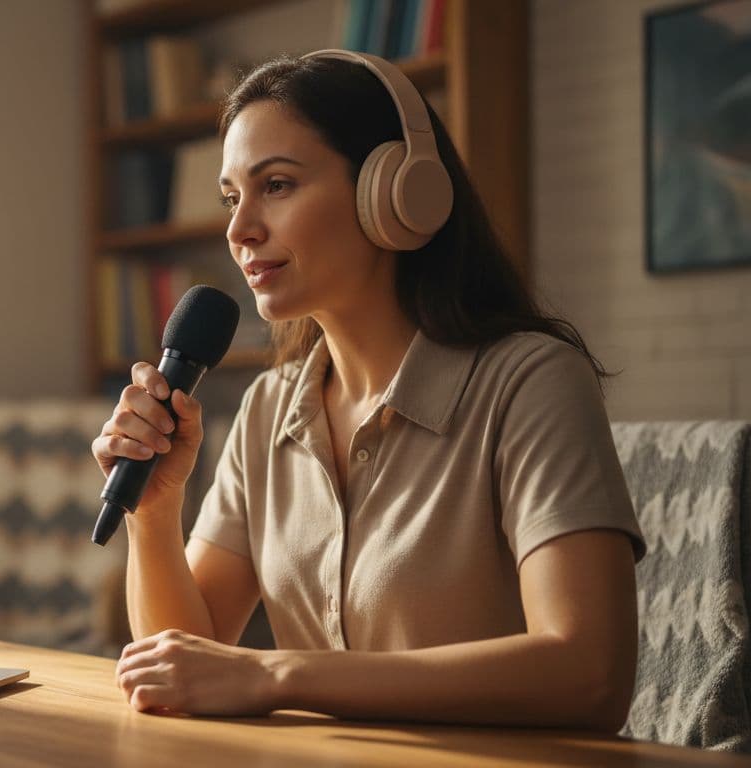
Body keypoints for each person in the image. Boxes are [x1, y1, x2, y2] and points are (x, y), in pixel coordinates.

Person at [91, 50, 645, 731]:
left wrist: (277, 674)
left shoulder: (529, 382)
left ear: (394, 191)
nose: (239, 231)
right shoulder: (268, 409)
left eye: (277, 185)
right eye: (233, 197)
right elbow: (177, 670)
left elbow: (590, 675)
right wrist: (153, 513)